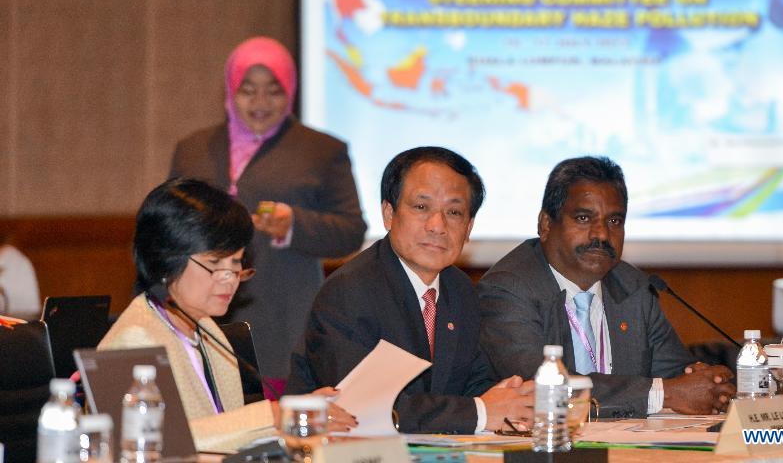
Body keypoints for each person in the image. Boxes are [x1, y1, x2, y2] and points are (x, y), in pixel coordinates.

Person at [286, 147, 533, 433]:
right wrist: (481, 411)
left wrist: (508, 398)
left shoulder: (459, 288)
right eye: (421, 207)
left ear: (468, 228)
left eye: (454, 212)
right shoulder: (350, 292)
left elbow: (472, 381)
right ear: (389, 213)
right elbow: (363, 408)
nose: (437, 226)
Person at [99, 178, 356, 452]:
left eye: (235, 263)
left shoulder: (205, 327)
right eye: (214, 264)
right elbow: (161, 444)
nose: (229, 279)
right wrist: (278, 416)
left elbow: (224, 428)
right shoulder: (134, 338)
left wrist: (298, 412)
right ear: (166, 259)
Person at [169, 36, 367, 391]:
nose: (260, 103)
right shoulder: (193, 149)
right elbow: (167, 227)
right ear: (230, 91)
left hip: (281, 321)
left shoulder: (322, 150)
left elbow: (351, 230)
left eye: (273, 91)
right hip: (195, 318)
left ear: (289, 90)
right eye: (247, 90)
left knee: (275, 425)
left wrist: (295, 225)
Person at [478, 156, 735, 418]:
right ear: (545, 224)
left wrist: (709, 383)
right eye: (583, 218)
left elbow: (677, 374)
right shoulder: (508, 288)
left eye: (614, 221)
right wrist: (663, 394)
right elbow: (542, 387)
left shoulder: (633, 286)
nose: (601, 235)